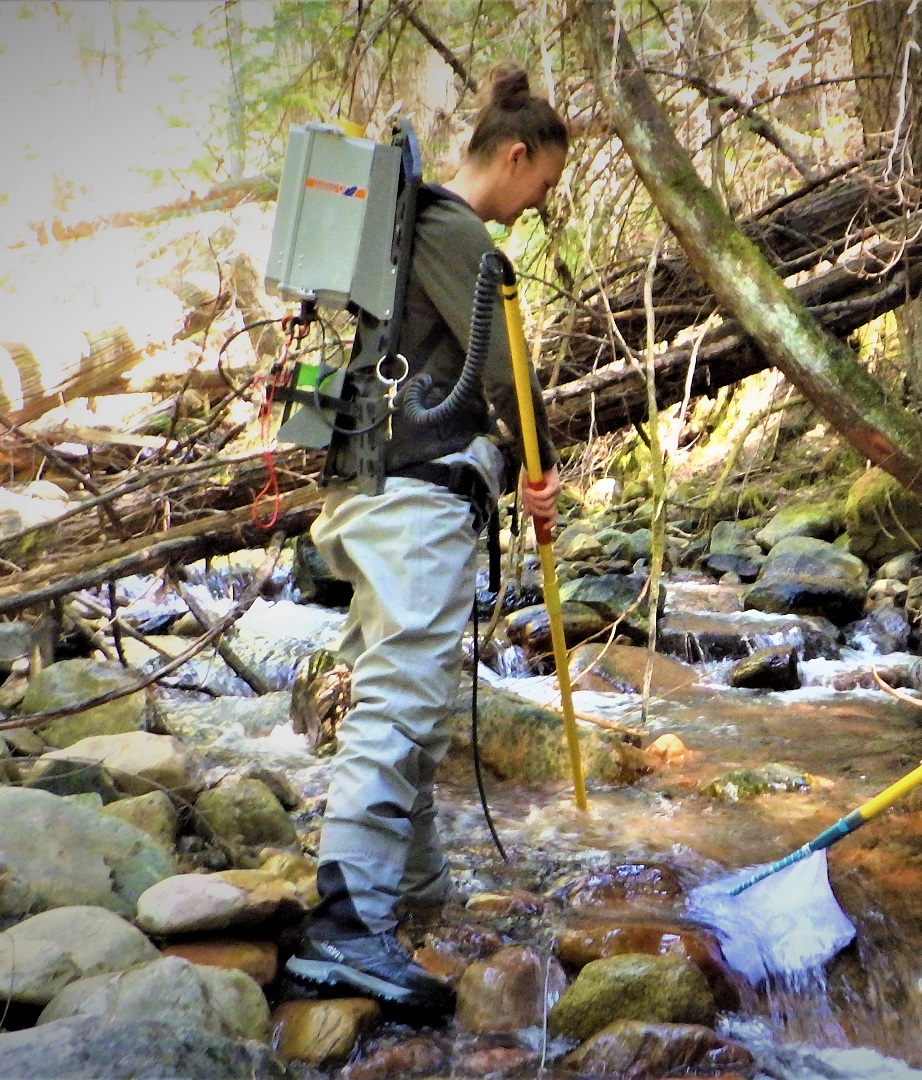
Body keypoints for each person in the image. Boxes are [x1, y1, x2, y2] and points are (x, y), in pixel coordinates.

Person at [285, 65, 567, 1012]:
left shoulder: (412, 224)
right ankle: (343, 927)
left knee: (403, 693)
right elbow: (507, 375)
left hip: (371, 490)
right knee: (402, 697)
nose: (543, 206)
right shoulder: (456, 231)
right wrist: (537, 468)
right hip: (413, 501)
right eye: (547, 185)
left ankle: (412, 897)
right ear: (517, 155)